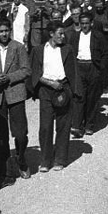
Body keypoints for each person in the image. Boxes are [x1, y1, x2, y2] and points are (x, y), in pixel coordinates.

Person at [0, 17, 32, 188]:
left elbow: (27, 70)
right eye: (1, 31)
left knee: (20, 133)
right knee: (0, 137)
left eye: (6, 30)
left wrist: (9, 78)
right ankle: (4, 174)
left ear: (10, 31)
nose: (4, 34)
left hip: (16, 94)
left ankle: (21, 158)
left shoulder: (18, 47)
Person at [30, 23, 80, 171]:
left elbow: (74, 71)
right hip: (46, 90)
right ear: (51, 34)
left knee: (63, 125)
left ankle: (60, 159)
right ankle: (45, 160)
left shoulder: (67, 49)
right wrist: (50, 83)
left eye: (64, 34)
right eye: (60, 33)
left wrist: (74, 91)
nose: (63, 36)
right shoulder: (38, 50)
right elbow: (34, 73)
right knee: (45, 126)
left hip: (63, 88)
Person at [68, 12, 107, 137]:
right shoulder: (75, 36)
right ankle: (77, 126)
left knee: (91, 97)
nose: (84, 26)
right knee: (79, 96)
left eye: (86, 23)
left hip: (93, 67)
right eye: (82, 23)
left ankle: (89, 125)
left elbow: (105, 54)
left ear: (91, 23)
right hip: (79, 67)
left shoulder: (98, 36)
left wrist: (100, 68)